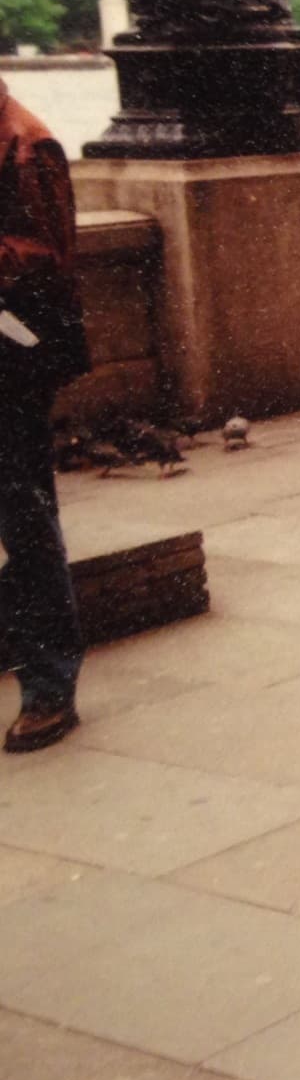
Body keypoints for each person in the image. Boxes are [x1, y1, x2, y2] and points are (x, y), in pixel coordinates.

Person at [1, 77, 87, 754]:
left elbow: (52, 259)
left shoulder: (30, 144)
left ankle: (49, 685)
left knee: (24, 515)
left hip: (11, 355)